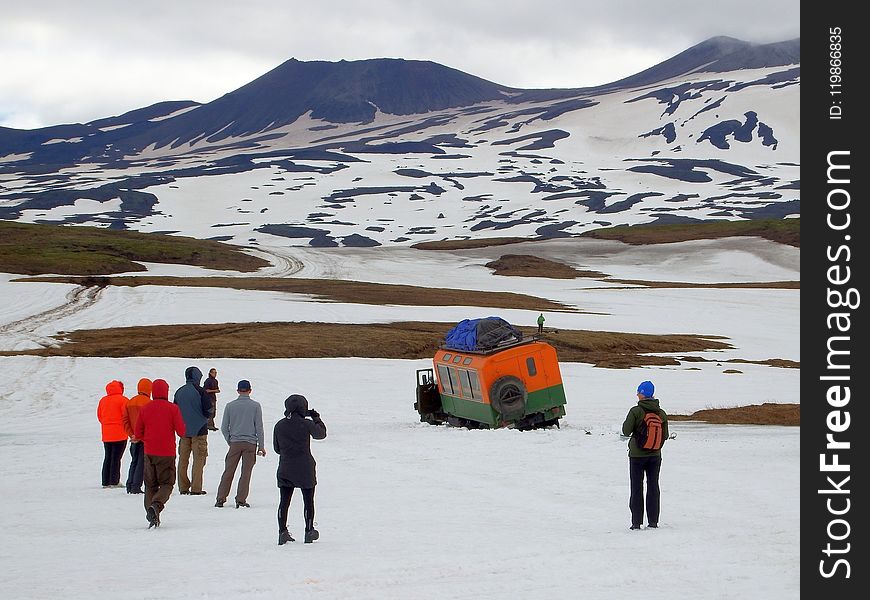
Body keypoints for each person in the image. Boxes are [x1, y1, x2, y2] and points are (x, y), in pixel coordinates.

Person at [273, 394, 327, 545]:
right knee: (308, 501)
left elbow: (277, 449)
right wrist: (316, 418)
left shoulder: (279, 425)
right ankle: (309, 530)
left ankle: (282, 531)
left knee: (284, 502)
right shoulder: (306, 424)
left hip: (285, 467)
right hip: (305, 467)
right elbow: (321, 434)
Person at [134, 378, 186, 528]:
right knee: (167, 483)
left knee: (150, 485)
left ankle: (151, 514)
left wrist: (148, 439)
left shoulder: (145, 408)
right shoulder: (173, 408)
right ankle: (156, 506)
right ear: (166, 391)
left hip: (149, 452)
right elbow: (181, 431)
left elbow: (138, 433)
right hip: (166, 453)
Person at [621, 380, 669, 530]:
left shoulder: (636, 411)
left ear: (643, 394)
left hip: (636, 455)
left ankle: (636, 523)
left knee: (636, 487)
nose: (637, 394)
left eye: (639, 392)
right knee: (653, 486)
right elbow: (665, 435)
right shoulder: (661, 413)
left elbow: (626, 431)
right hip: (655, 455)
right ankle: (653, 521)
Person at [215, 379, 266, 509]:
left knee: (228, 471)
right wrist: (261, 445)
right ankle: (241, 499)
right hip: (250, 443)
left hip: (235, 443)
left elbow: (224, 427)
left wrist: (230, 440)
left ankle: (220, 498)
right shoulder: (255, 406)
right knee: (246, 473)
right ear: (250, 390)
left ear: (238, 391)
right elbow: (259, 426)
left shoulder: (230, 406)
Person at [174, 366, 212, 495]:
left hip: (183, 431)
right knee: (199, 459)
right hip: (200, 430)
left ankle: (183, 486)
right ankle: (196, 488)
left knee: (183, 459)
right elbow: (208, 410)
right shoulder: (201, 392)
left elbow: (175, 410)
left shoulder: (179, 392)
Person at [97, 380, 129, 488]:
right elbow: (126, 416)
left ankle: (105, 481)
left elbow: (100, 416)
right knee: (116, 458)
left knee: (108, 457)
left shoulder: (103, 400)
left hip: (106, 434)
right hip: (120, 433)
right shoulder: (123, 400)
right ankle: (114, 481)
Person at [122, 378, 152, 494]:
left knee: (134, 461)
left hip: (134, 438)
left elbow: (125, 420)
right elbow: (149, 422)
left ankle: (129, 484)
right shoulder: (148, 403)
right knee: (141, 462)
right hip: (144, 439)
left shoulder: (130, 402)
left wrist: (131, 434)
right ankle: (136, 486)